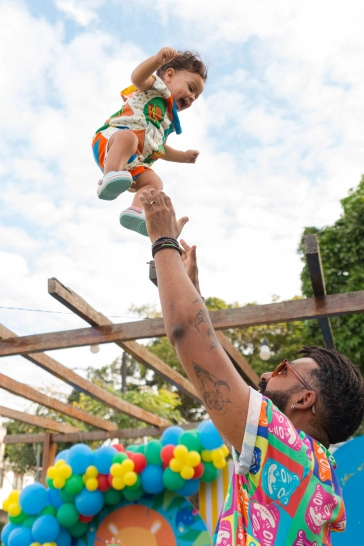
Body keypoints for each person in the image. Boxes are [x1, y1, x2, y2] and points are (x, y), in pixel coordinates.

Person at [138, 188, 364, 546]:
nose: (264, 375)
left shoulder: (283, 446)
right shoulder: (318, 473)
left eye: (282, 370)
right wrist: (186, 287)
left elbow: (185, 332)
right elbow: (199, 347)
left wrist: (161, 236)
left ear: (305, 399)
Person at [92, 47, 207, 236]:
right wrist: (156, 61)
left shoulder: (166, 122)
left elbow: (161, 150)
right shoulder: (155, 87)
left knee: (155, 182)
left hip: (131, 164)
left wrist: (184, 157)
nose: (192, 97)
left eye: (196, 97)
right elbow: (137, 77)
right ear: (169, 75)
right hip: (111, 141)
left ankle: (135, 211)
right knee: (128, 137)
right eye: (191, 88)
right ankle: (109, 177)